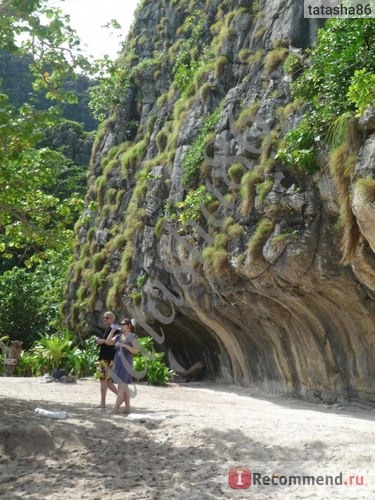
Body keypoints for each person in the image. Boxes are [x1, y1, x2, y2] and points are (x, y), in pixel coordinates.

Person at [106, 318, 139, 414]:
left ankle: (115, 408)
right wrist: (112, 331)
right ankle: (128, 408)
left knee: (122, 386)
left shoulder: (132, 337)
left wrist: (126, 346)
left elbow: (136, 350)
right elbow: (108, 342)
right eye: (120, 324)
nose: (121, 325)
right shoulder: (118, 336)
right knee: (123, 387)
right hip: (117, 362)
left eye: (123, 324)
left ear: (129, 326)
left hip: (126, 363)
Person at [94, 311, 119, 408]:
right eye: (104, 317)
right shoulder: (109, 329)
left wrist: (101, 341)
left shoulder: (114, 329)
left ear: (113, 319)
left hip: (108, 358)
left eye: (107, 318)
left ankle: (103, 403)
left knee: (103, 380)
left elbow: (112, 342)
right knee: (107, 381)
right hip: (106, 357)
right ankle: (121, 397)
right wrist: (100, 341)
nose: (105, 319)